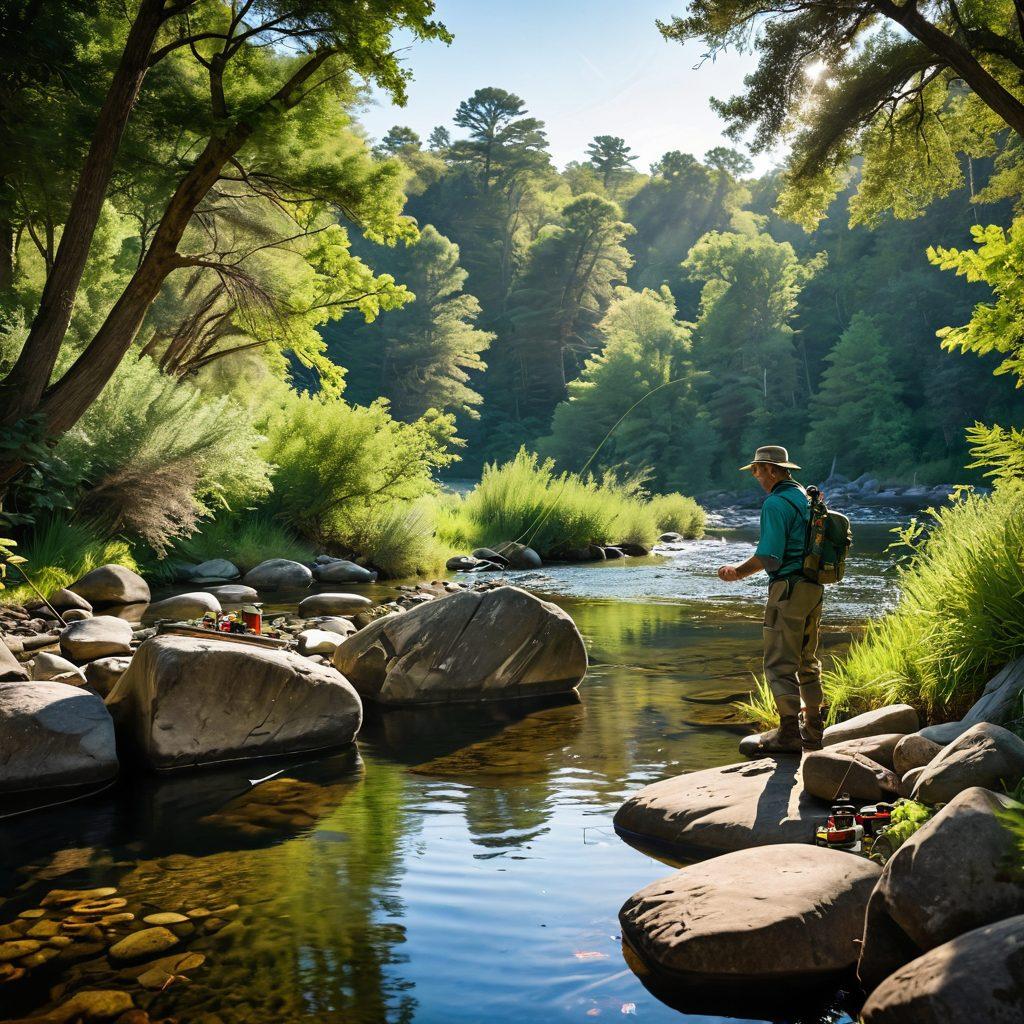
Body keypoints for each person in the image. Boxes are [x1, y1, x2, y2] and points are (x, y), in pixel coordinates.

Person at [717, 445, 824, 754]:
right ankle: (814, 730)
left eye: (757, 470)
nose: (756, 476)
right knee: (807, 660)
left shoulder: (776, 503)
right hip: (814, 588)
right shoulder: (807, 499)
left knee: (779, 662)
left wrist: (736, 572)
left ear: (773, 470)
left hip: (787, 589)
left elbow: (770, 556)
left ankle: (789, 733)